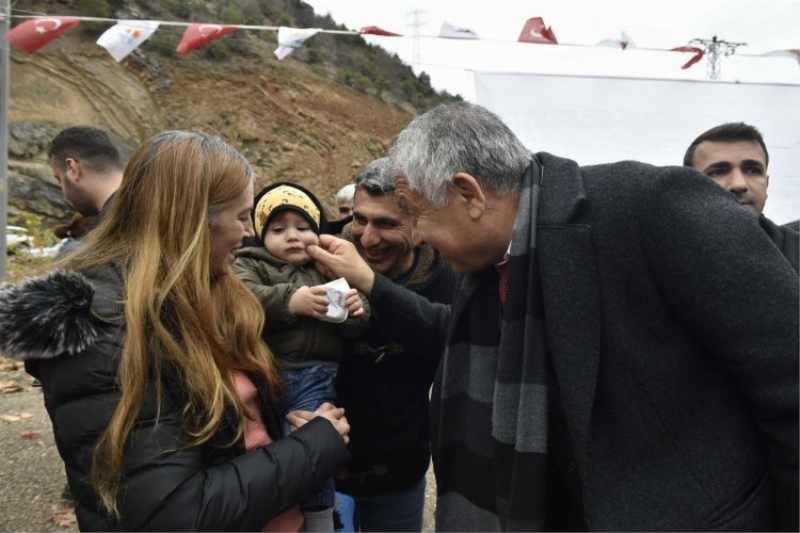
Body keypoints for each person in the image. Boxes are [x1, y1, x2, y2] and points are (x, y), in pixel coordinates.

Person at [308, 102, 799, 531]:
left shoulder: (651, 207)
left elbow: (788, 377)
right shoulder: (486, 270)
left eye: (414, 212)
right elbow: (447, 333)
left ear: (469, 194)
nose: (413, 234)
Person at [0, 130, 351, 531]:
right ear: (194, 222)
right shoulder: (106, 328)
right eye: (240, 217)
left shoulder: (204, 294)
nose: (250, 232)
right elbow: (170, 514)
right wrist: (313, 446)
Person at [233, 181, 368, 532]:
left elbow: (355, 320)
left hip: (316, 376)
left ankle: (321, 518)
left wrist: (358, 310)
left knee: (314, 445)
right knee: (274, 452)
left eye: (303, 227)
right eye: (278, 229)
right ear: (261, 234)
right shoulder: (251, 261)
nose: (292, 236)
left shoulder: (325, 266)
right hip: (267, 373)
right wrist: (291, 301)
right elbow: (242, 298)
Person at [334, 158, 460, 531]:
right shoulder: (313, 259)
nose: (367, 239)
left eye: (387, 224)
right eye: (359, 219)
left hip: (400, 473)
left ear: (419, 228)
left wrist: (373, 286)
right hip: (321, 469)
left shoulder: (449, 276)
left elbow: (459, 341)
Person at [684, 122, 799, 272]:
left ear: (766, 183)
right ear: (689, 187)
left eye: (753, 170)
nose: (739, 184)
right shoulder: (659, 259)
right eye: (718, 172)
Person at [48, 126, 124, 217]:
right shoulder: (142, 201)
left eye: (59, 179)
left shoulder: (118, 223)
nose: (63, 192)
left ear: (73, 170)